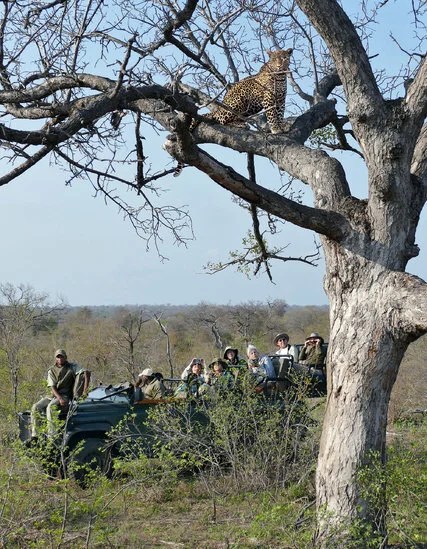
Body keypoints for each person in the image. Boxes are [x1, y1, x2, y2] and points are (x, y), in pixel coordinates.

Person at [30, 349, 90, 440]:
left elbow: (85, 372)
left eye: (62, 357)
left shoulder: (72, 367)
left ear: (65, 357)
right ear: (55, 358)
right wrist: (59, 398)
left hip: (65, 395)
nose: (60, 359)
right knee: (35, 407)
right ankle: (35, 435)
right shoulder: (51, 370)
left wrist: (85, 390)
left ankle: (52, 436)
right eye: (58, 357)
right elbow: (52, 387)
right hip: (54, 395)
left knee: (51, 407)